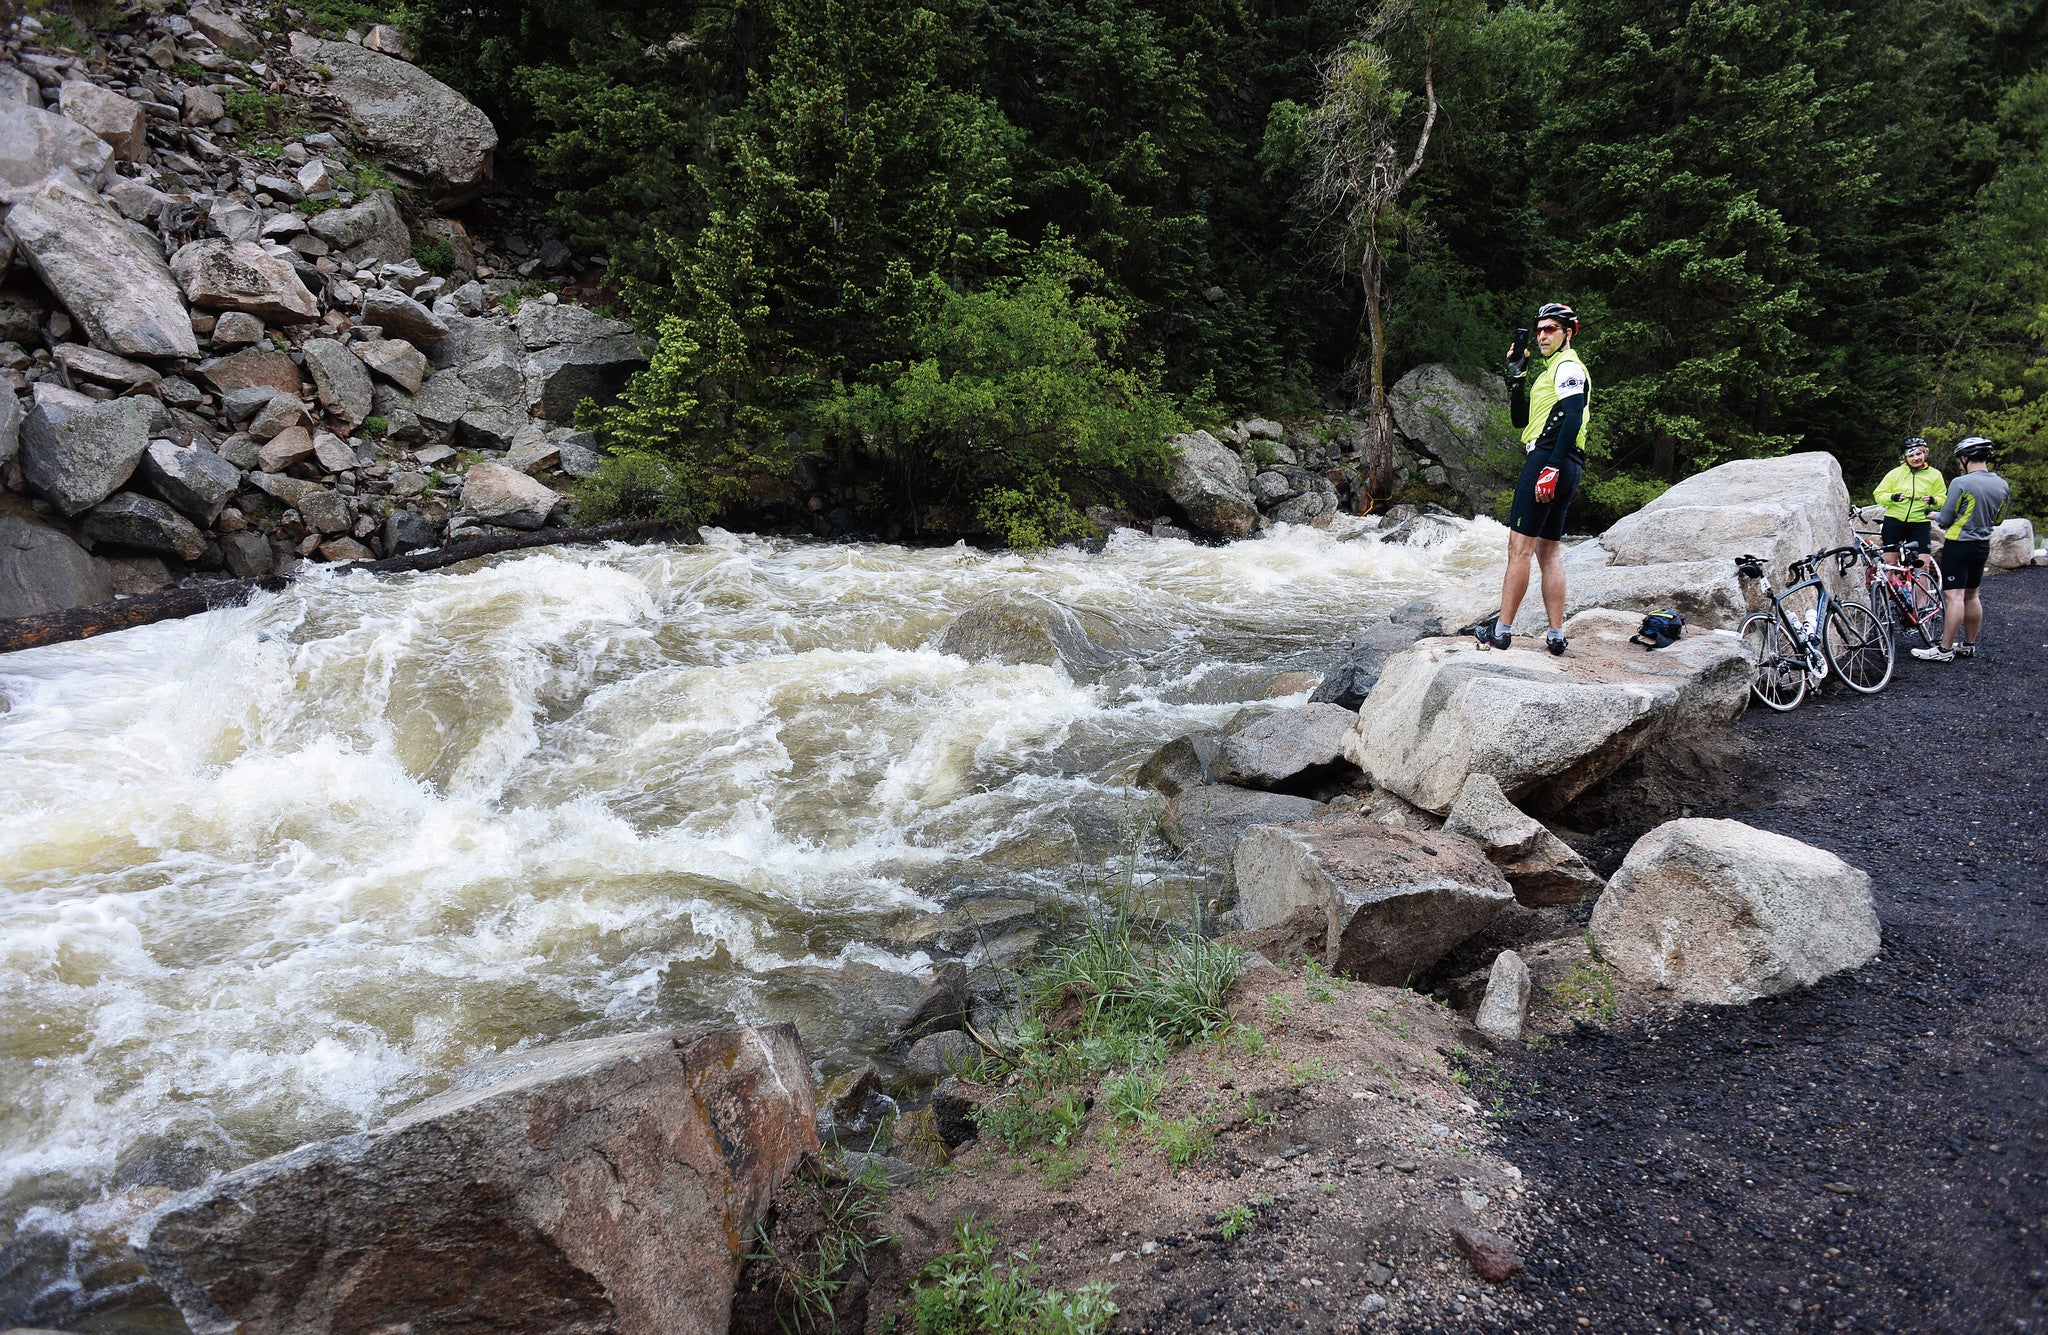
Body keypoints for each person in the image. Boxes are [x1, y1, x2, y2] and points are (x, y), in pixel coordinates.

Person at [1475, 302, 1589, 654]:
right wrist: (1516, 377)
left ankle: (1502, 632)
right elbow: (1519, 419)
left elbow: (1571, 417)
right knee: (1548, 551)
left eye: (1550, 329)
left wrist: (1550, 467)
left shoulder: (1568, 366)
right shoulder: (1549, 371)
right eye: (1539, 330)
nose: (1542, 336)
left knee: (1518, 549)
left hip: (1549, 457)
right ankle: (1556, 636)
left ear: (1568, 332)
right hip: (1567, 461)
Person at [1911, 436, 2009, 663]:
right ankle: (1968, 645)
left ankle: (1944, 650)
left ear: (1965, 458)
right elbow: (1998, 519)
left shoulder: (1961, 483)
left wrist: (1932, 514)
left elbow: (1945, 519)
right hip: (1982, 544)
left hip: (1958, 543)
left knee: (1953, 597)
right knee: (1972, 594)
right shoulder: (2001, 484)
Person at [1874, 438, 1945, 563]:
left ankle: (1922, 582)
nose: (1916, 458)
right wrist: (1892, 497)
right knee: (1890, 562)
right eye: (1911, 455)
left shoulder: (1935, 474)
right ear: (1905, 458)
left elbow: (1943, 498)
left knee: (1922, 564)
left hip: (1920, 522)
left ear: (1925, 453)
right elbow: (1879, 495)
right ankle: (1890, 582)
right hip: (1894, 521)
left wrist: (1934, 501)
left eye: (1919, 454)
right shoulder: (1895, 473)